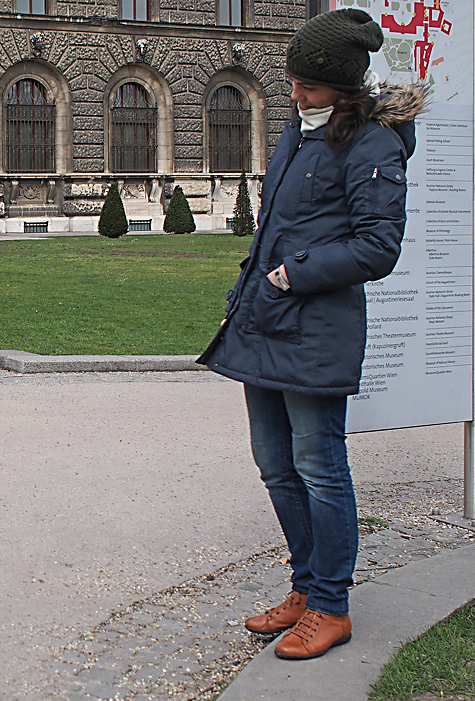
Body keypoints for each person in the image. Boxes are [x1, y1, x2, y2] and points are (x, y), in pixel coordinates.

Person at [197, 9, 427, 660]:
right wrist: (244, 296)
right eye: (293, 81)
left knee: (319, 467)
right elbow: (273, 226)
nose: (296, 95)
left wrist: (290, 277)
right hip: (266, 320)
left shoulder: (375, 144)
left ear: (346, 87)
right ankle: (305, 587)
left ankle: (331, 604)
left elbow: (377, 247)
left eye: (310, 86)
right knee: (275, 464)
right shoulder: (299, 131)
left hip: (317, 327)